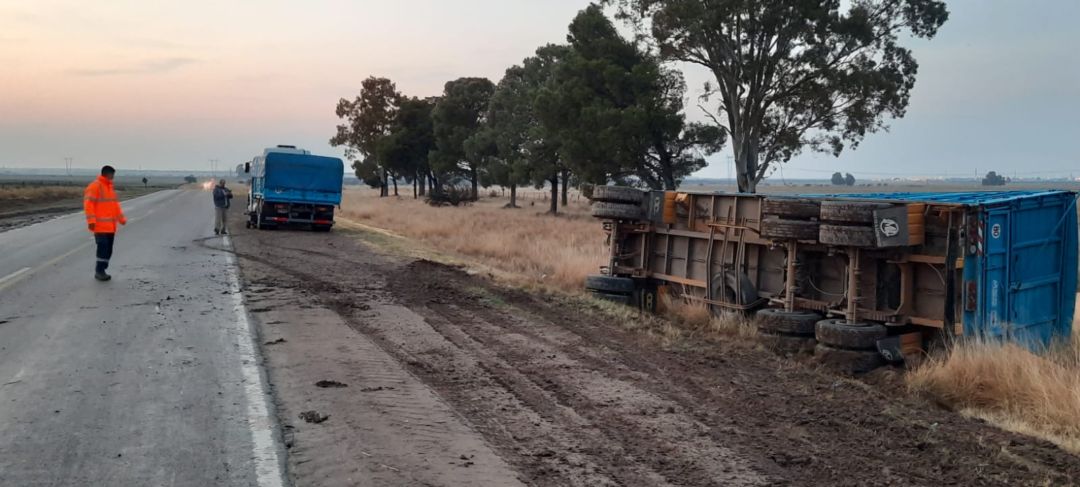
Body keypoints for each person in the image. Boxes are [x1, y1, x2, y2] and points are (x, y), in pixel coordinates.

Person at [84, 165, 127, 281]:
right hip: (99, 226)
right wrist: (91, 221)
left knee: (108, 250)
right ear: (107, 174)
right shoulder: (95, 186)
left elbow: (115, 206)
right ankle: (99, 271)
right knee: (102, 247)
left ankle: (103, 268)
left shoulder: (109, 188)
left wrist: (121, 219)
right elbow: (89, 204)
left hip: (110, 227)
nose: (113, 177)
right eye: (112, 175)